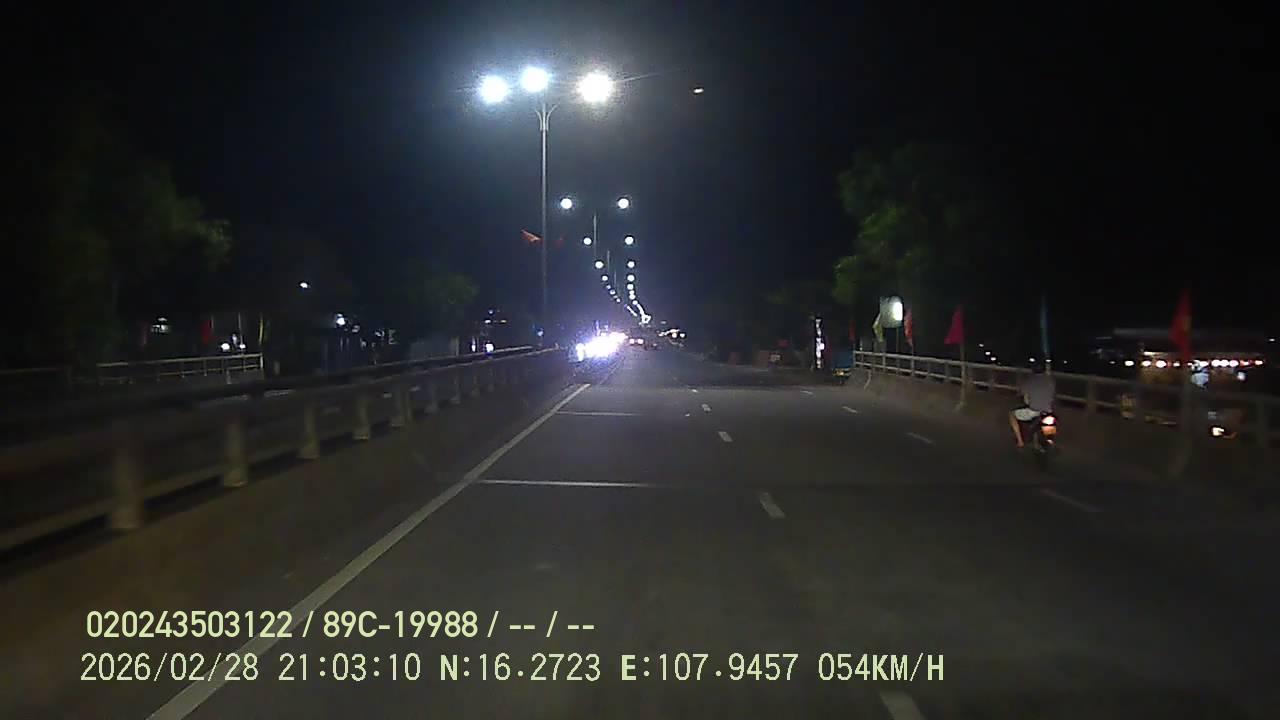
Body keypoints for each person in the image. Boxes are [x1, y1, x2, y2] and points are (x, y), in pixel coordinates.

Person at [1009, 361, 1056, 448]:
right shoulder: (1050, 380)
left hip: (1034, 411)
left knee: (1012, 414)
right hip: (1048, 411)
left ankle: (1020, 441)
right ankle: (1049, 440)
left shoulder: (1029, 381)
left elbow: (1023, 395)